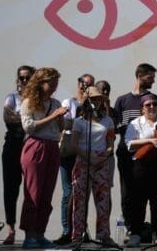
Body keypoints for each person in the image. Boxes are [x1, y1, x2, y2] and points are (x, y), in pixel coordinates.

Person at [19, 67, 69, 249]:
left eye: (56, 81)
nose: (55, 85)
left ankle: (40, 233)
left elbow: (61, 128)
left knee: (47, 193)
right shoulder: (28, 102)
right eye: (51, 82)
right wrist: (54, 115)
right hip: (35, 145)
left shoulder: (55, 103)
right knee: (33, 192)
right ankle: (29, 235)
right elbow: (29, 127)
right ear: (41, 82)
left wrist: (62, 117)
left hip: (52, 146)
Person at [113, 63, 157, 235]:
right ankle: (131, 229)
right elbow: (117, 126)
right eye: (150, 77)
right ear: (140, 76)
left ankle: (154, 230)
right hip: (126, 153)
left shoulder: (155, 99)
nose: (153, 81)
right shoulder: (122, 100)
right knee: (128, 193)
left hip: (150, 157)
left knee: (152, 193)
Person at [125, 94, 157, 247]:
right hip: (141, 165)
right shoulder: (135, 123)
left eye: (155, 104)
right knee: (138, 200)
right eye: (148, 105)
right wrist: (149, 141)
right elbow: (129, 144)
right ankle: (136, 233)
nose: (152, 107)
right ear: (142, 109)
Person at [70, 86, 116, 246]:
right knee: (80, 201)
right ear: (86, 101)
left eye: (98, 99)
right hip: (83, 161)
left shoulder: (108, 120)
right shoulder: (79, 122)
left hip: (102, 162)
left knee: (103, 201)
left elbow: (111, 144)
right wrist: (89, 157)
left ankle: (104, 235)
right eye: (93, 99)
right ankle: (77, 236)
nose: (96, 102)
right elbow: (74, 144)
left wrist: (103, 156)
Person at [56, 73, 96, 245]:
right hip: (68, 151)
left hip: (84, 151)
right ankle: (67, 230)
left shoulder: (93, 106)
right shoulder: (69, 102)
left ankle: (81, 229)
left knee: (82, 193)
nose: (85, 86)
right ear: (78, 83)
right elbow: (64, 125)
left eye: (89, 84)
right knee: (68, 193)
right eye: (83, 83)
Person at [1, 65, 35, 245]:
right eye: (21, 77)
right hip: (13, 147)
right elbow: (8, 118)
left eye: (27, 77)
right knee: (11, 189)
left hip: (31, 146)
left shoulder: (38, 99)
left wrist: (21, 118)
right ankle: (11, 229)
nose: (24, 81)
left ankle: (30, 231)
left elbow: (38, 122)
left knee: (32, 190)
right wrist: (29, 121)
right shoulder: (12, 97)